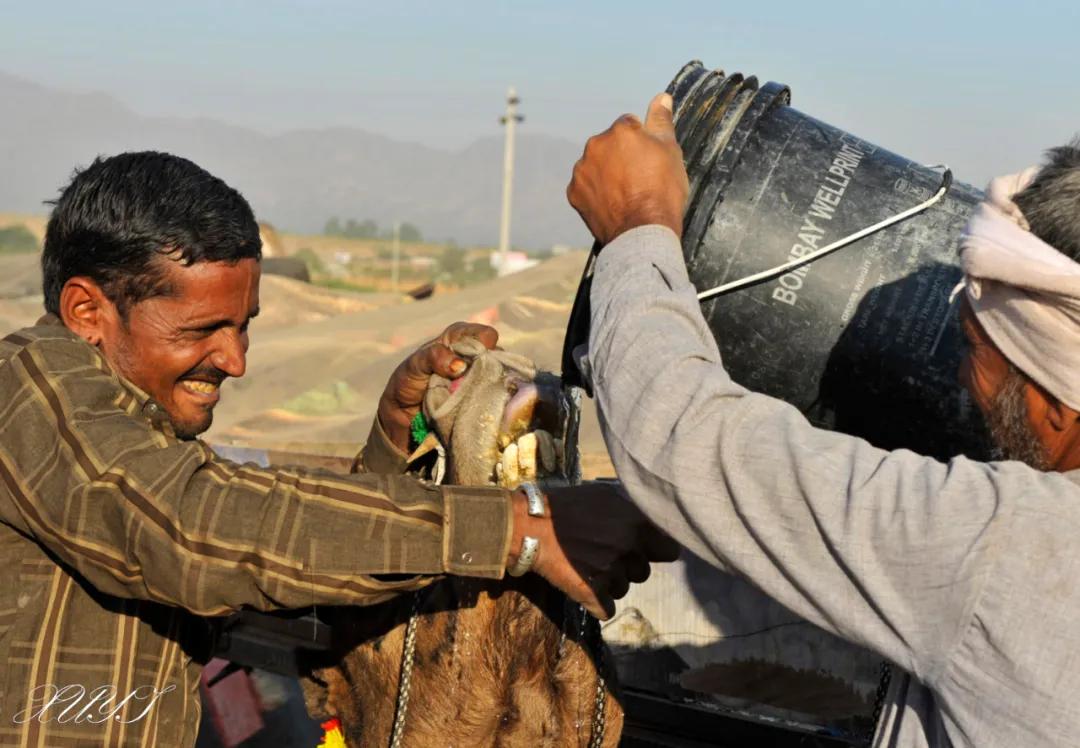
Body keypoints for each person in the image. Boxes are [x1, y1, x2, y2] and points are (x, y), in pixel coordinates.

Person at [0, 151, 672, 747]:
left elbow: (267, 571)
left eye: (244, 327)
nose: (234, 361)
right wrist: (522, 528)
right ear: (87, 312)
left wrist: (388, 440)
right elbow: (190, 528)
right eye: (203, 329)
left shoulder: (143, 434)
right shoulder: (28, 386)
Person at [566, 94, 1080, 747]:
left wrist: (639, 221)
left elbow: (685, 442)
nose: (960, 377)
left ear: (1058, 396)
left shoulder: (1006, 545)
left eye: (979, 352)